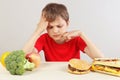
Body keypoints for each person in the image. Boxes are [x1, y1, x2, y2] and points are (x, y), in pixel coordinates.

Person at [23, 3, 104, 62]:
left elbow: (99, 58)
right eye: (50, 27)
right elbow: (24, 55)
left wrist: (81, 34)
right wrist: (38, 31)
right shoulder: (44, 38)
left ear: (67, 23)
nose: (55, 31)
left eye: (59, 26)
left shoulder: (76, 39)